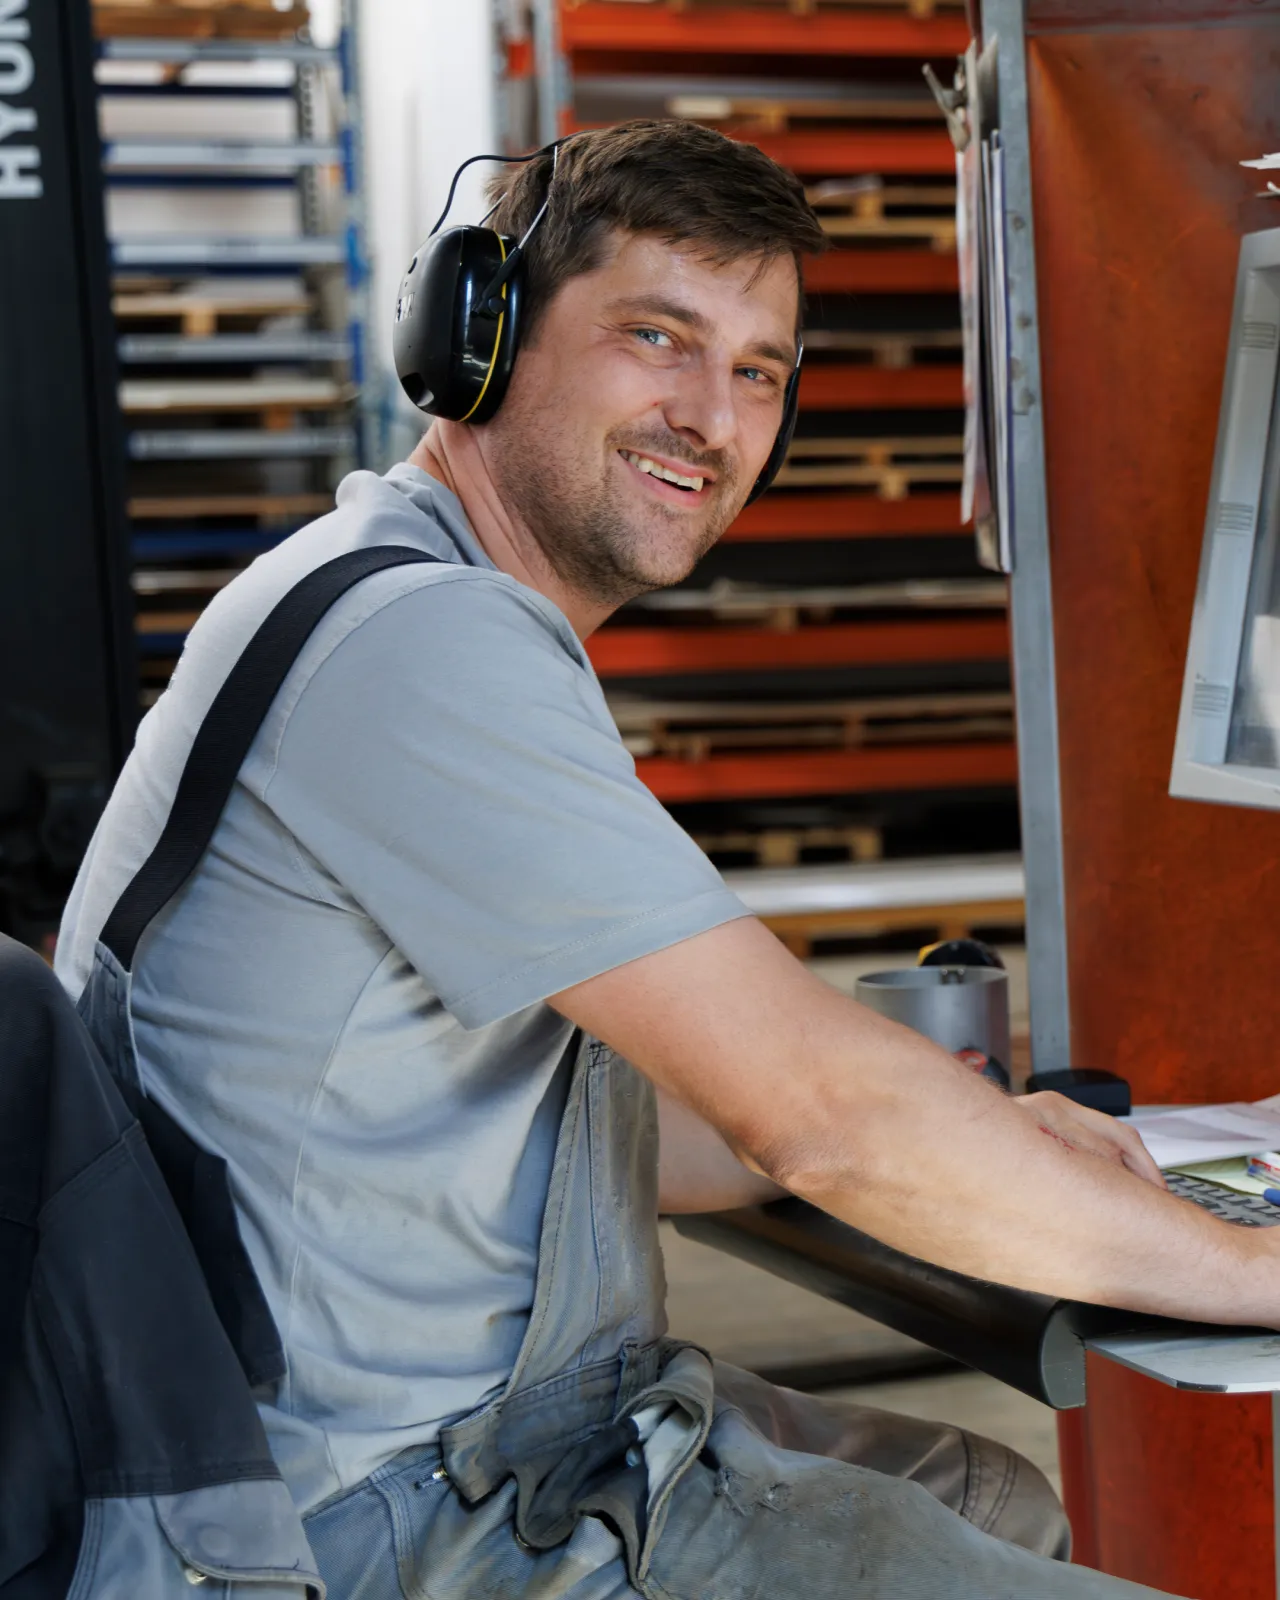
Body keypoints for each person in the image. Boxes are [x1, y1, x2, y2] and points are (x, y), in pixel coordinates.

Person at [57, 119, 1272, 1600]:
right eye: (657, 337)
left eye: (759, 371)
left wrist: (989, 1145)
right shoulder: (421, 643)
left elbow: (645, 1126)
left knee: (983, 1493)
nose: (711, 415)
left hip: (437, 1443)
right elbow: (812, 1119)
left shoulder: (394, 589)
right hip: (374, 1515)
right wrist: (1254, 1269)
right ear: (482, 341)